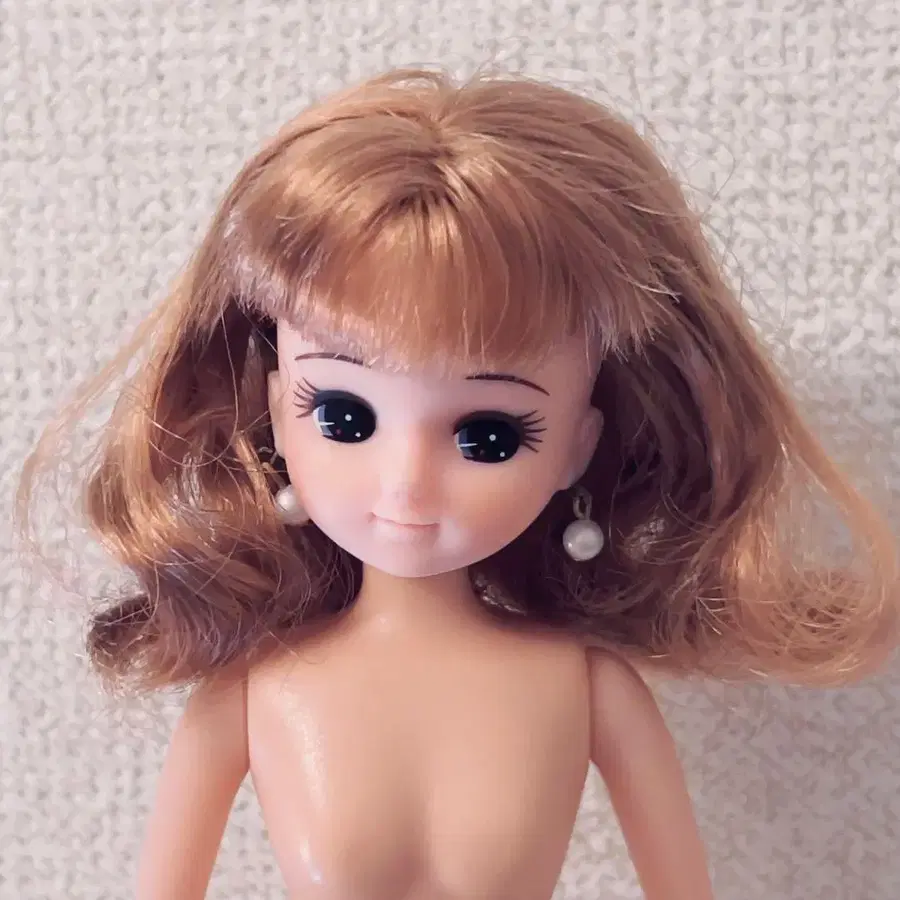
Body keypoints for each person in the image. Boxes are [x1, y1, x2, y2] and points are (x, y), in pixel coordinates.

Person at [17, 68, 898, 900]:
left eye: (488, 435)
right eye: (345, 418)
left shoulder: (589, 687)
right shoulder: (249, 693)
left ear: (577, 446)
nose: (407, 483)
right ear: (281, 413)